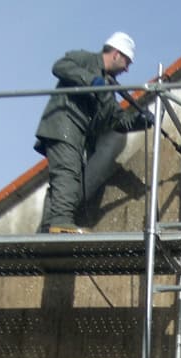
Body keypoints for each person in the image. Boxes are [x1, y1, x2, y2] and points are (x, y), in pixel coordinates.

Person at [35, 32, 154, 233]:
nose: (127, 68)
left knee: (64, 180)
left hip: (79, 136)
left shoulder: (109, 86)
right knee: (68, 174)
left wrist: (139, 121)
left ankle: (48, 228)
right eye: (127, 61)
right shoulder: (86, 60)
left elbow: (116, 120)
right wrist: (91, 80)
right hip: (65, 125)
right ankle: (61, 222)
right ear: (116, 54)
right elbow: (60, 66)